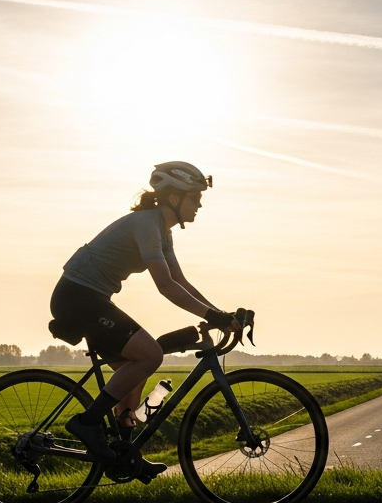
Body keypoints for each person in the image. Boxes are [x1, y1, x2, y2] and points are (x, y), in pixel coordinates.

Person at [48, 161, 240, 479]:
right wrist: (212, 316)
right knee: (150, 354)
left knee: (130, 371)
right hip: (78, 298)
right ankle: (86, 423)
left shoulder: (161, 232)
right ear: (175, 198)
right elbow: (165, 287)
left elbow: (180, 281)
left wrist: (220, 314)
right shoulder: (147, 224)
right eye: (195, 197)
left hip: (89, 298)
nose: (200, 204)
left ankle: (124, 456)